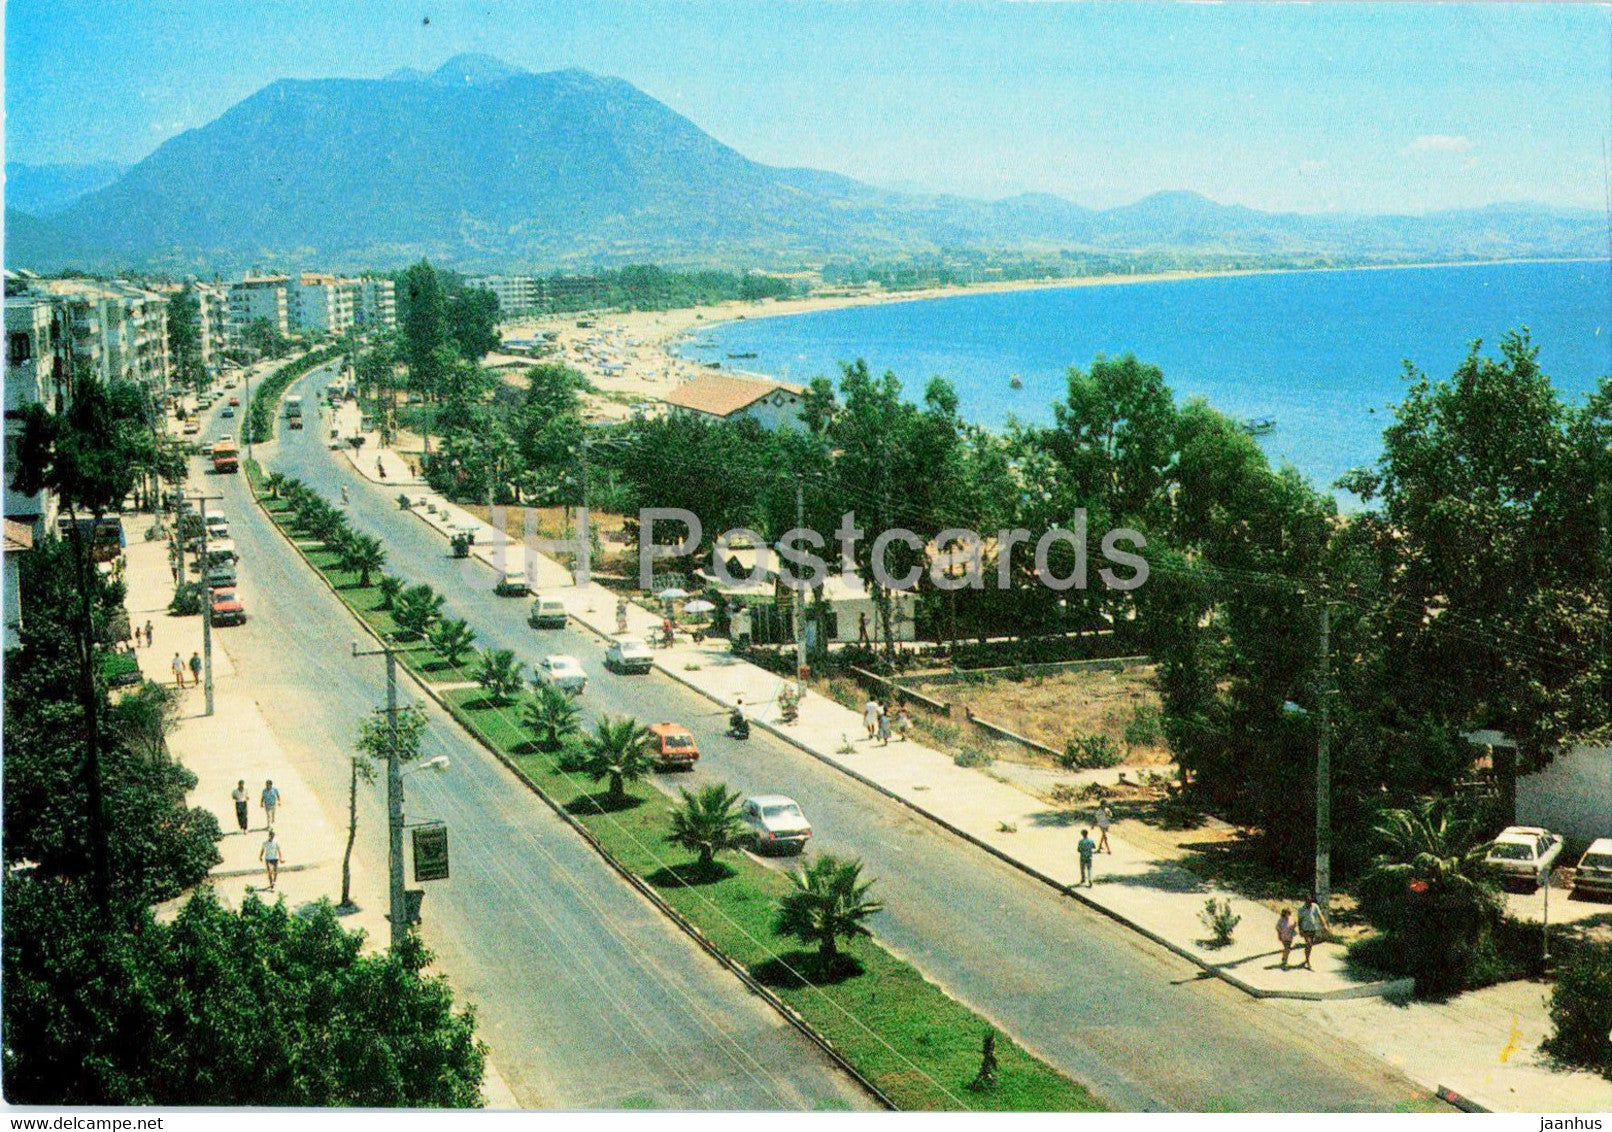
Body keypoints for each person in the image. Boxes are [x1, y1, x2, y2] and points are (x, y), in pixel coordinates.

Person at [1296, 894, 1328, 969]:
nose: (1309, 903)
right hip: (1305, 929)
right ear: (1305, 901)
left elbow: (1320, 916)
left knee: (1309, 946)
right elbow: (1299, 920)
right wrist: (1300, 930)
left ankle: (1307, 957)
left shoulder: (1315, 906)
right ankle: (1307, 961)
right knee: (1309, 943)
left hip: (1313, 929)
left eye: (1310, 901)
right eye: (1308, 902)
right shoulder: (1301, 908)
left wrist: (1324, 925)